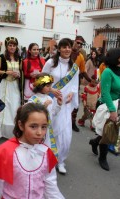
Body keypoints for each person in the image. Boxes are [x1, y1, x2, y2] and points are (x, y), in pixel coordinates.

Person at [0, 103, 65, 199]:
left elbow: (51, 187)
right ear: (21, 125)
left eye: (44, 127)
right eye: (33, 126)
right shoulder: (5, 152)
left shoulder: (45, 152)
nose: (39, 133)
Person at [42, 38, 79, 174]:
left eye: (69, 47)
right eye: (64, 47)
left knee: (65, 134)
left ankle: (61, 160)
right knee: (50, 131)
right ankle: (48, 158)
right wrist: (51, 90)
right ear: (59, 49)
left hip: (65, 105)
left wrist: (72, 94)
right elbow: (42, 79)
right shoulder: (50, 63)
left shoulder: (74, 67)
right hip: (51, 102)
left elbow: (75, 85)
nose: (67, 50)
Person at [89, 48, 120, 171]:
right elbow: (105, 93)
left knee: (110, 131)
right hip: (107, 105)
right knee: (108, 132)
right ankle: (102, 158)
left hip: (117, 105)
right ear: (117, 58)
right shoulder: (107, 72)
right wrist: (112, 110)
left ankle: (95, 142)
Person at [0, 36, 24, 138]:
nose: (12, 47)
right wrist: (8, 72)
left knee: (14, 106)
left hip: (14, 85)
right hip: (4, 85)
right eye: (10, 45)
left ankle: (11, 131)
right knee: (3, 106)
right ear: (6, 46)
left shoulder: (20, 58)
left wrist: (19, 75)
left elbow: (21, 71)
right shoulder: (2, 57)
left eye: (14, 45)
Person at [28, 73, 62, 157]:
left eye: (50, 86)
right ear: (40, 86)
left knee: (46, 151)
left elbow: (53, 113)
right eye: (47, 86)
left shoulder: (49, 98)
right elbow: (29, 114)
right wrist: (43, 107)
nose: (50, 88)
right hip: (37, 130)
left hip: (47, 131)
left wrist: (58, 104)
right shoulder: (33, 99)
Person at [71, 35, 91, 132]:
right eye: (78, 42)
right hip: (63, 83)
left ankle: (73, 122)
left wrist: (91, 80)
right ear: (74, 41)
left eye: (81, 44)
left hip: (75, 83)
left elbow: (83, 71)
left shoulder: (81, 57)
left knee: (75, 104)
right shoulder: (66, 52)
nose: (79, 45)